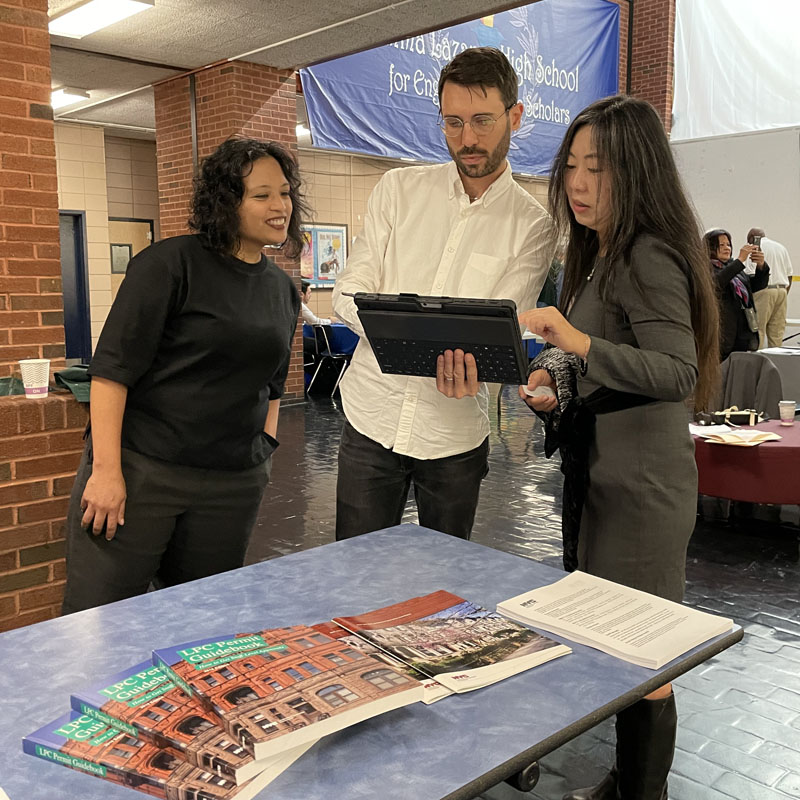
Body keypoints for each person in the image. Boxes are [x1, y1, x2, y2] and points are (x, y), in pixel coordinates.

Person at [518, 95, 719, 800]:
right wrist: (553, 378)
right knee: (620, 649)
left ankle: (642, 793)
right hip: (603, 479)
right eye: (570, 165)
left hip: (642, 490)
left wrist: (571, 342)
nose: (577, 182)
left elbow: (677, 373)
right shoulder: (600, 253)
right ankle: (625, 782)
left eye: (595, 168)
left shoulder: (649, 253)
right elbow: (601, 360)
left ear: (633, 170)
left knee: (647, 657)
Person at [61, 138, 308, 614]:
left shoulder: (281, 288)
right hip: (143, 475)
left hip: (230, 486)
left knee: (200, 624)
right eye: (261, 195)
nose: (280, 206)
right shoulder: (169, 265)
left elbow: (272, 384)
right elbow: (112, 373)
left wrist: (262, 458)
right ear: (225, 201)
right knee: (100, 621)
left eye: (285, 192)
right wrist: (107, 471)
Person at [331, 46, 552, 541]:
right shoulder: (397, 190)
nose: (467, 139)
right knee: (351, 578)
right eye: (452, 122)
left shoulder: (533, 226)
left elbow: (504, 322)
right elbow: (348, 291)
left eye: (481, 121)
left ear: (514, 116)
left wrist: (409, 334)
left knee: (444, 589)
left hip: (454, 432)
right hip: (371, 419)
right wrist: (411, 337)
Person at [704, 228, 768, 360]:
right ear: (709, 247)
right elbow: (716, 284)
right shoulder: (705, 268)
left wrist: (762, 267)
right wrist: (740, 261)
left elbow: (754, 286)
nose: (727, 248)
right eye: (721, 245)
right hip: (721, 334)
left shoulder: (733, 267)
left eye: (728, 244)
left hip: (742, 333)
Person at [745, 227, 793, 348]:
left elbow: (749, 274)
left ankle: (758, 364)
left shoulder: (754, 248)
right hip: (782, 291)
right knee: (777, 334)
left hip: (764, 291)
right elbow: (789, 275)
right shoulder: (781, 247)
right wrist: (784, 293)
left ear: (751, 238)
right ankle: (776, 364)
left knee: (758, 331)